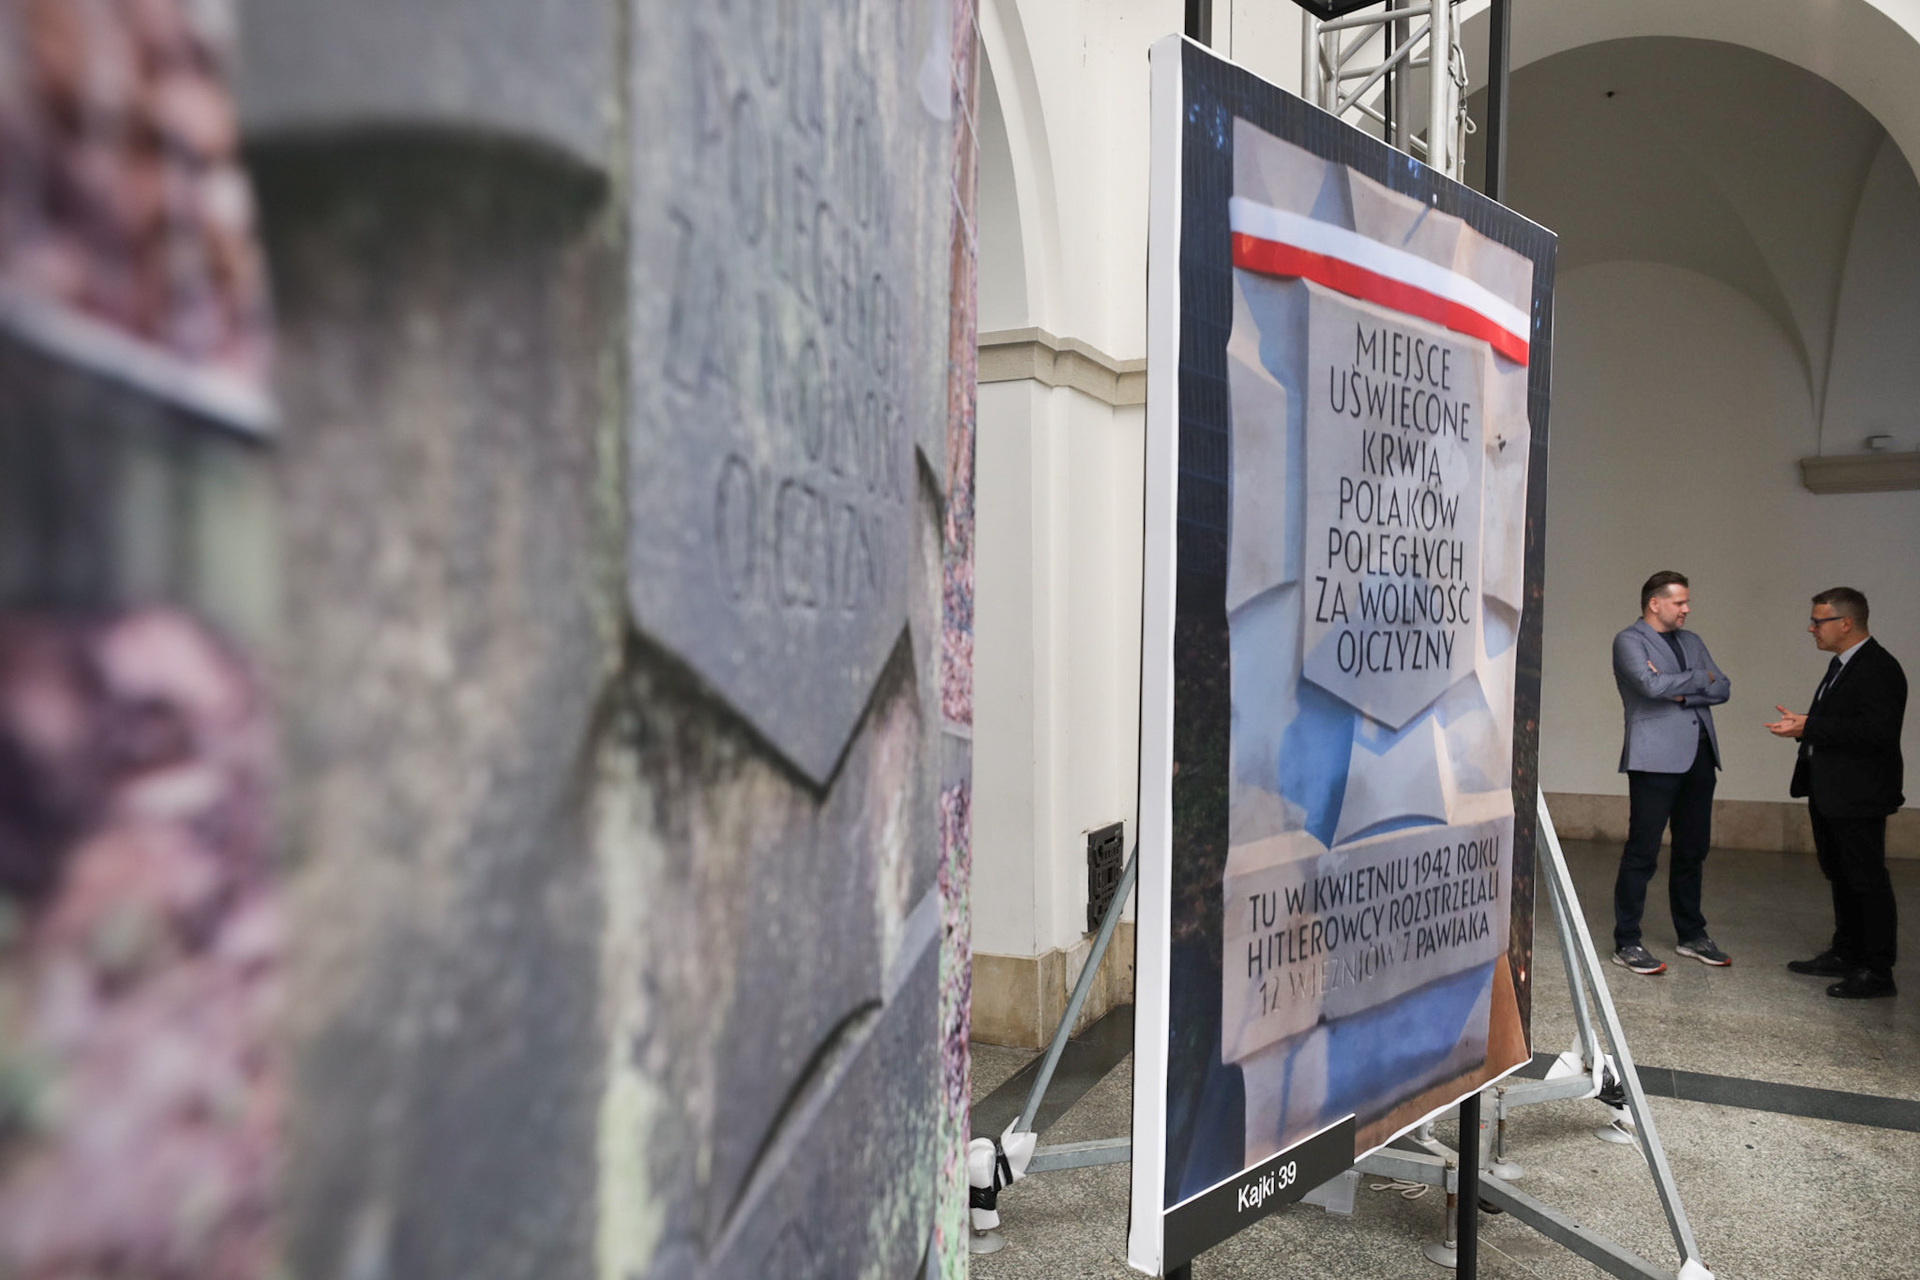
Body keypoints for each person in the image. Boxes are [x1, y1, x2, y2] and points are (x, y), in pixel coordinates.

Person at [1765, 587, 1907, 999]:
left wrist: (1808, 726)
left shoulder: (1878, 667)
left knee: (1866, 879)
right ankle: (1846, 953)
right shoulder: (1843, 664)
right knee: (1840, 875)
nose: (1811, 628)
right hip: (1831, 790)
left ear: (1845, 623)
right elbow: (1845, 721)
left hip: (1859, 793)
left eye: (1818, 621)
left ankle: (1878, 970)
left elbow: (1876, 731)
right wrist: (1805, 723)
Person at [1609, 571, 1733, 975]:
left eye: (1686, 602)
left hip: (1700, 756)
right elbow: (1649, 686)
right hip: (1654, 759)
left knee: (1692, 849)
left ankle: (1692, 934)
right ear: (1654, 603)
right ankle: (1627, 941)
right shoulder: (1629, 640)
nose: (1687, 609)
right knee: (1642, 851)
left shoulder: (1692, 641)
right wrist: (1699, 679)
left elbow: (1723, 687)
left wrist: (1679, 690)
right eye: (1679, 602)